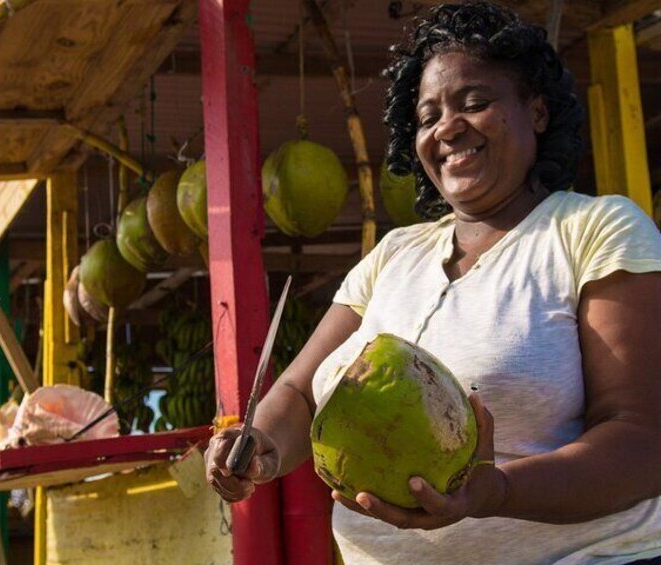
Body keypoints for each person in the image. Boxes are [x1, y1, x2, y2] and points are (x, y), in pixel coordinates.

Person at [205, 2, 661, 563]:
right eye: (427, 117)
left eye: (476, 102)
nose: (447, 127)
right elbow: (300, 394)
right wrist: (261, 448)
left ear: (537, 112)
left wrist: (496, 492)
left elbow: (643, 440)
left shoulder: (593, 229)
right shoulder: (395, 254)